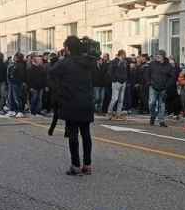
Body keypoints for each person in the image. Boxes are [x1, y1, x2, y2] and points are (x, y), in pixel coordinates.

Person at [50, 36, 96, 175]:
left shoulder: (65, 62)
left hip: (70, 101)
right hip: (86, 101)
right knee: (86, 133)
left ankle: (75, 165)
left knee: (73, 134)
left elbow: (51, 73)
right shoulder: (88, 61)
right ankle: (87, 165)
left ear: (67, 48)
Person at [146, 50, 174, 127]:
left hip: (163, 88)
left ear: (163, 56)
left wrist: (167, 85)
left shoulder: (168, 66)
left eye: (159, 55)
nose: (157, 56)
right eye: (156, 55)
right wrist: (149, 82)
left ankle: (161, 120)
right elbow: (147, 74)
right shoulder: (152, 64)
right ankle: (153, 115)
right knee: (151, 103)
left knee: (162, 105)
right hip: (153, 87)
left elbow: (172, 77)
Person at [106, 50, 129, 120]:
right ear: (121, 54)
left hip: (123, 82)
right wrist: (114, 79)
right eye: (124, 54)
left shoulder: (125, 62)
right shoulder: (114, 61)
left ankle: (118, 114)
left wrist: (125, 79)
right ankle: (109, 113)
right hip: (116, 82)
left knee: (121, 100)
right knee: (115, 98)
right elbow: (109, 72)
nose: (125, 56)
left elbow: (126, 71)